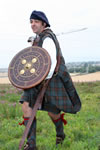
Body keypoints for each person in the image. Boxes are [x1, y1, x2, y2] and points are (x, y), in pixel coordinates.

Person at [19, 10, 81, 150]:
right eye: (31, 22)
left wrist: (42, 81)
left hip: (51, 79)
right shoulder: (38, 38)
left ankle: (60, 134)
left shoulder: (47, 38)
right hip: (36, 80)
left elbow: (50, 62)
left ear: (43, 23)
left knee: (53, 111)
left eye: (35, 22)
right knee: (26, 105)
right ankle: (31, 144)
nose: (32, 24)